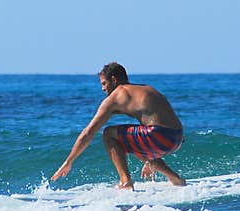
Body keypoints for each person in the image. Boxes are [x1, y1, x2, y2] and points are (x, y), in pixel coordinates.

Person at [51, 62, 186, 189]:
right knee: (131, 140)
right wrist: (148, 158)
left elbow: (88, 133)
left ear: (114, 80)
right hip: (177, 137)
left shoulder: (115, 97)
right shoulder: (145, 89)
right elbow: (158, 119)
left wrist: (68, 161)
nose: (103, 88)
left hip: (159, 136)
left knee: (109, 133)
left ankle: (125, 182)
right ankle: (175, 178)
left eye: (104, 83)